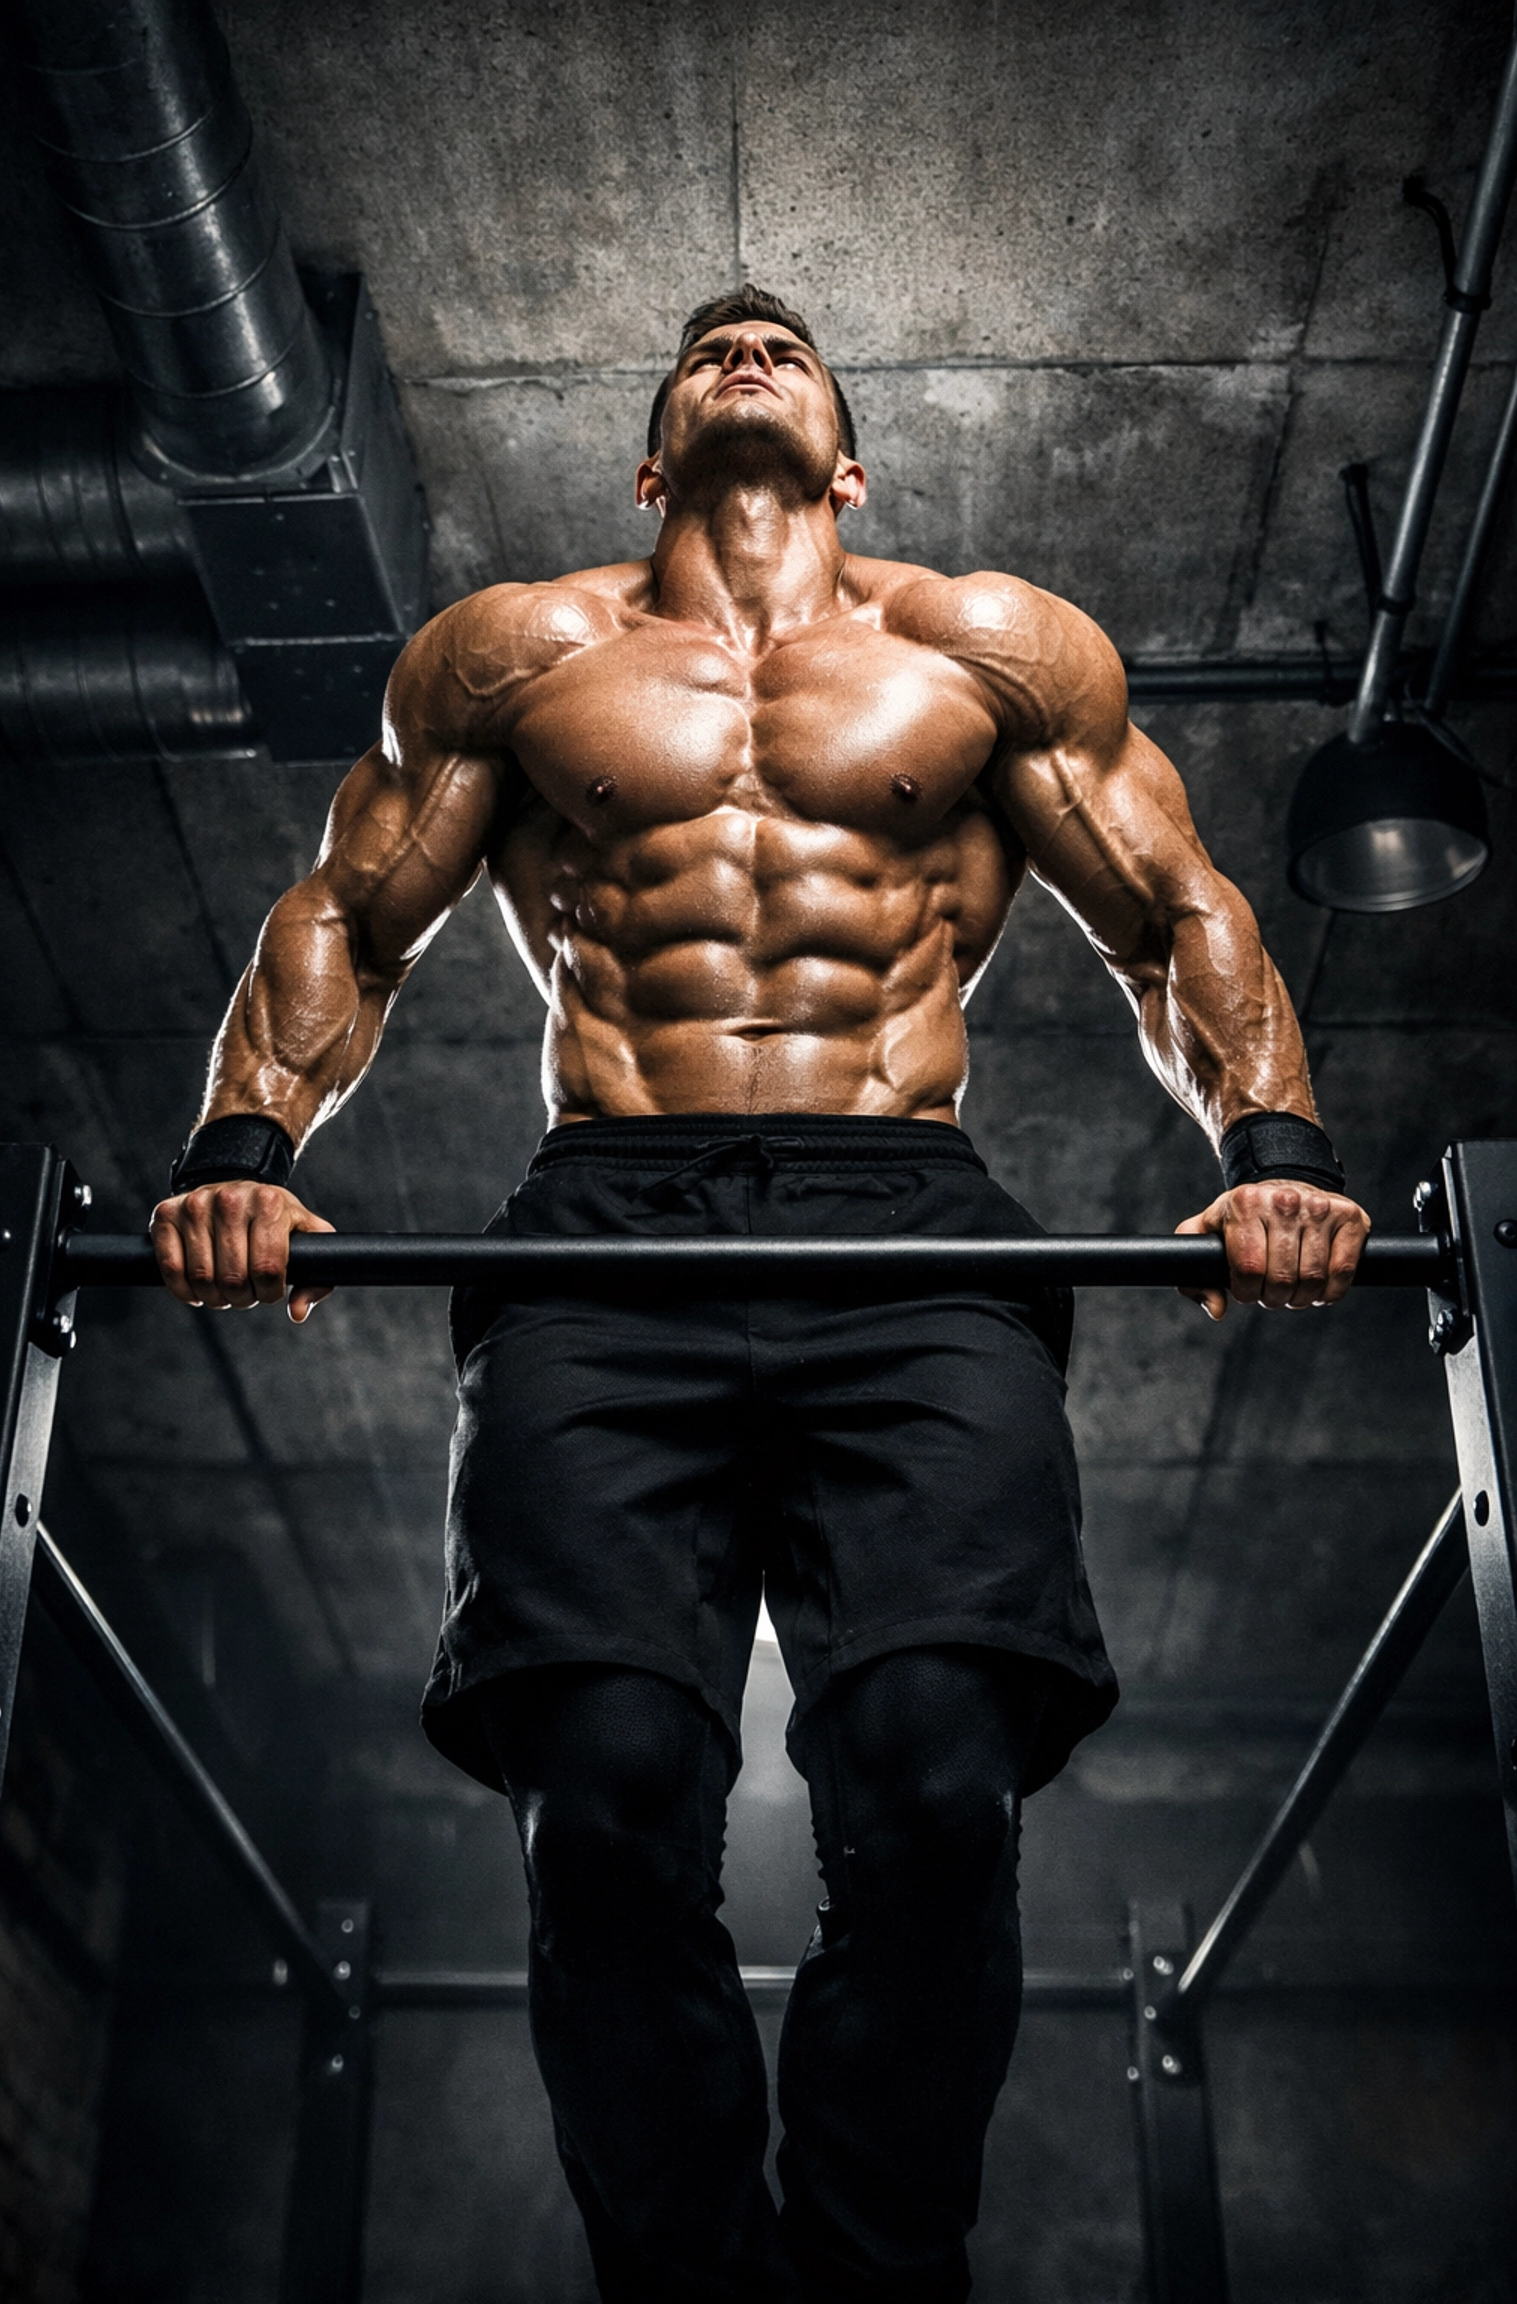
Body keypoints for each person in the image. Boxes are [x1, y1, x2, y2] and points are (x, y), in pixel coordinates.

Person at [151, 286, 1369, 2302]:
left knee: (938, 1775)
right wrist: (239, 1157)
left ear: (849, 455)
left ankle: (880, 2274)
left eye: (785, 343)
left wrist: (1281, 1161)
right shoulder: (521, 652)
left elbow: (1176, 918)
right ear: (649, 461)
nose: (747, 344)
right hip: (604, 1232)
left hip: (906, 1229)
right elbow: (348, 920)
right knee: (607, 1804)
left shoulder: (982, 645)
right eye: (710, 344)